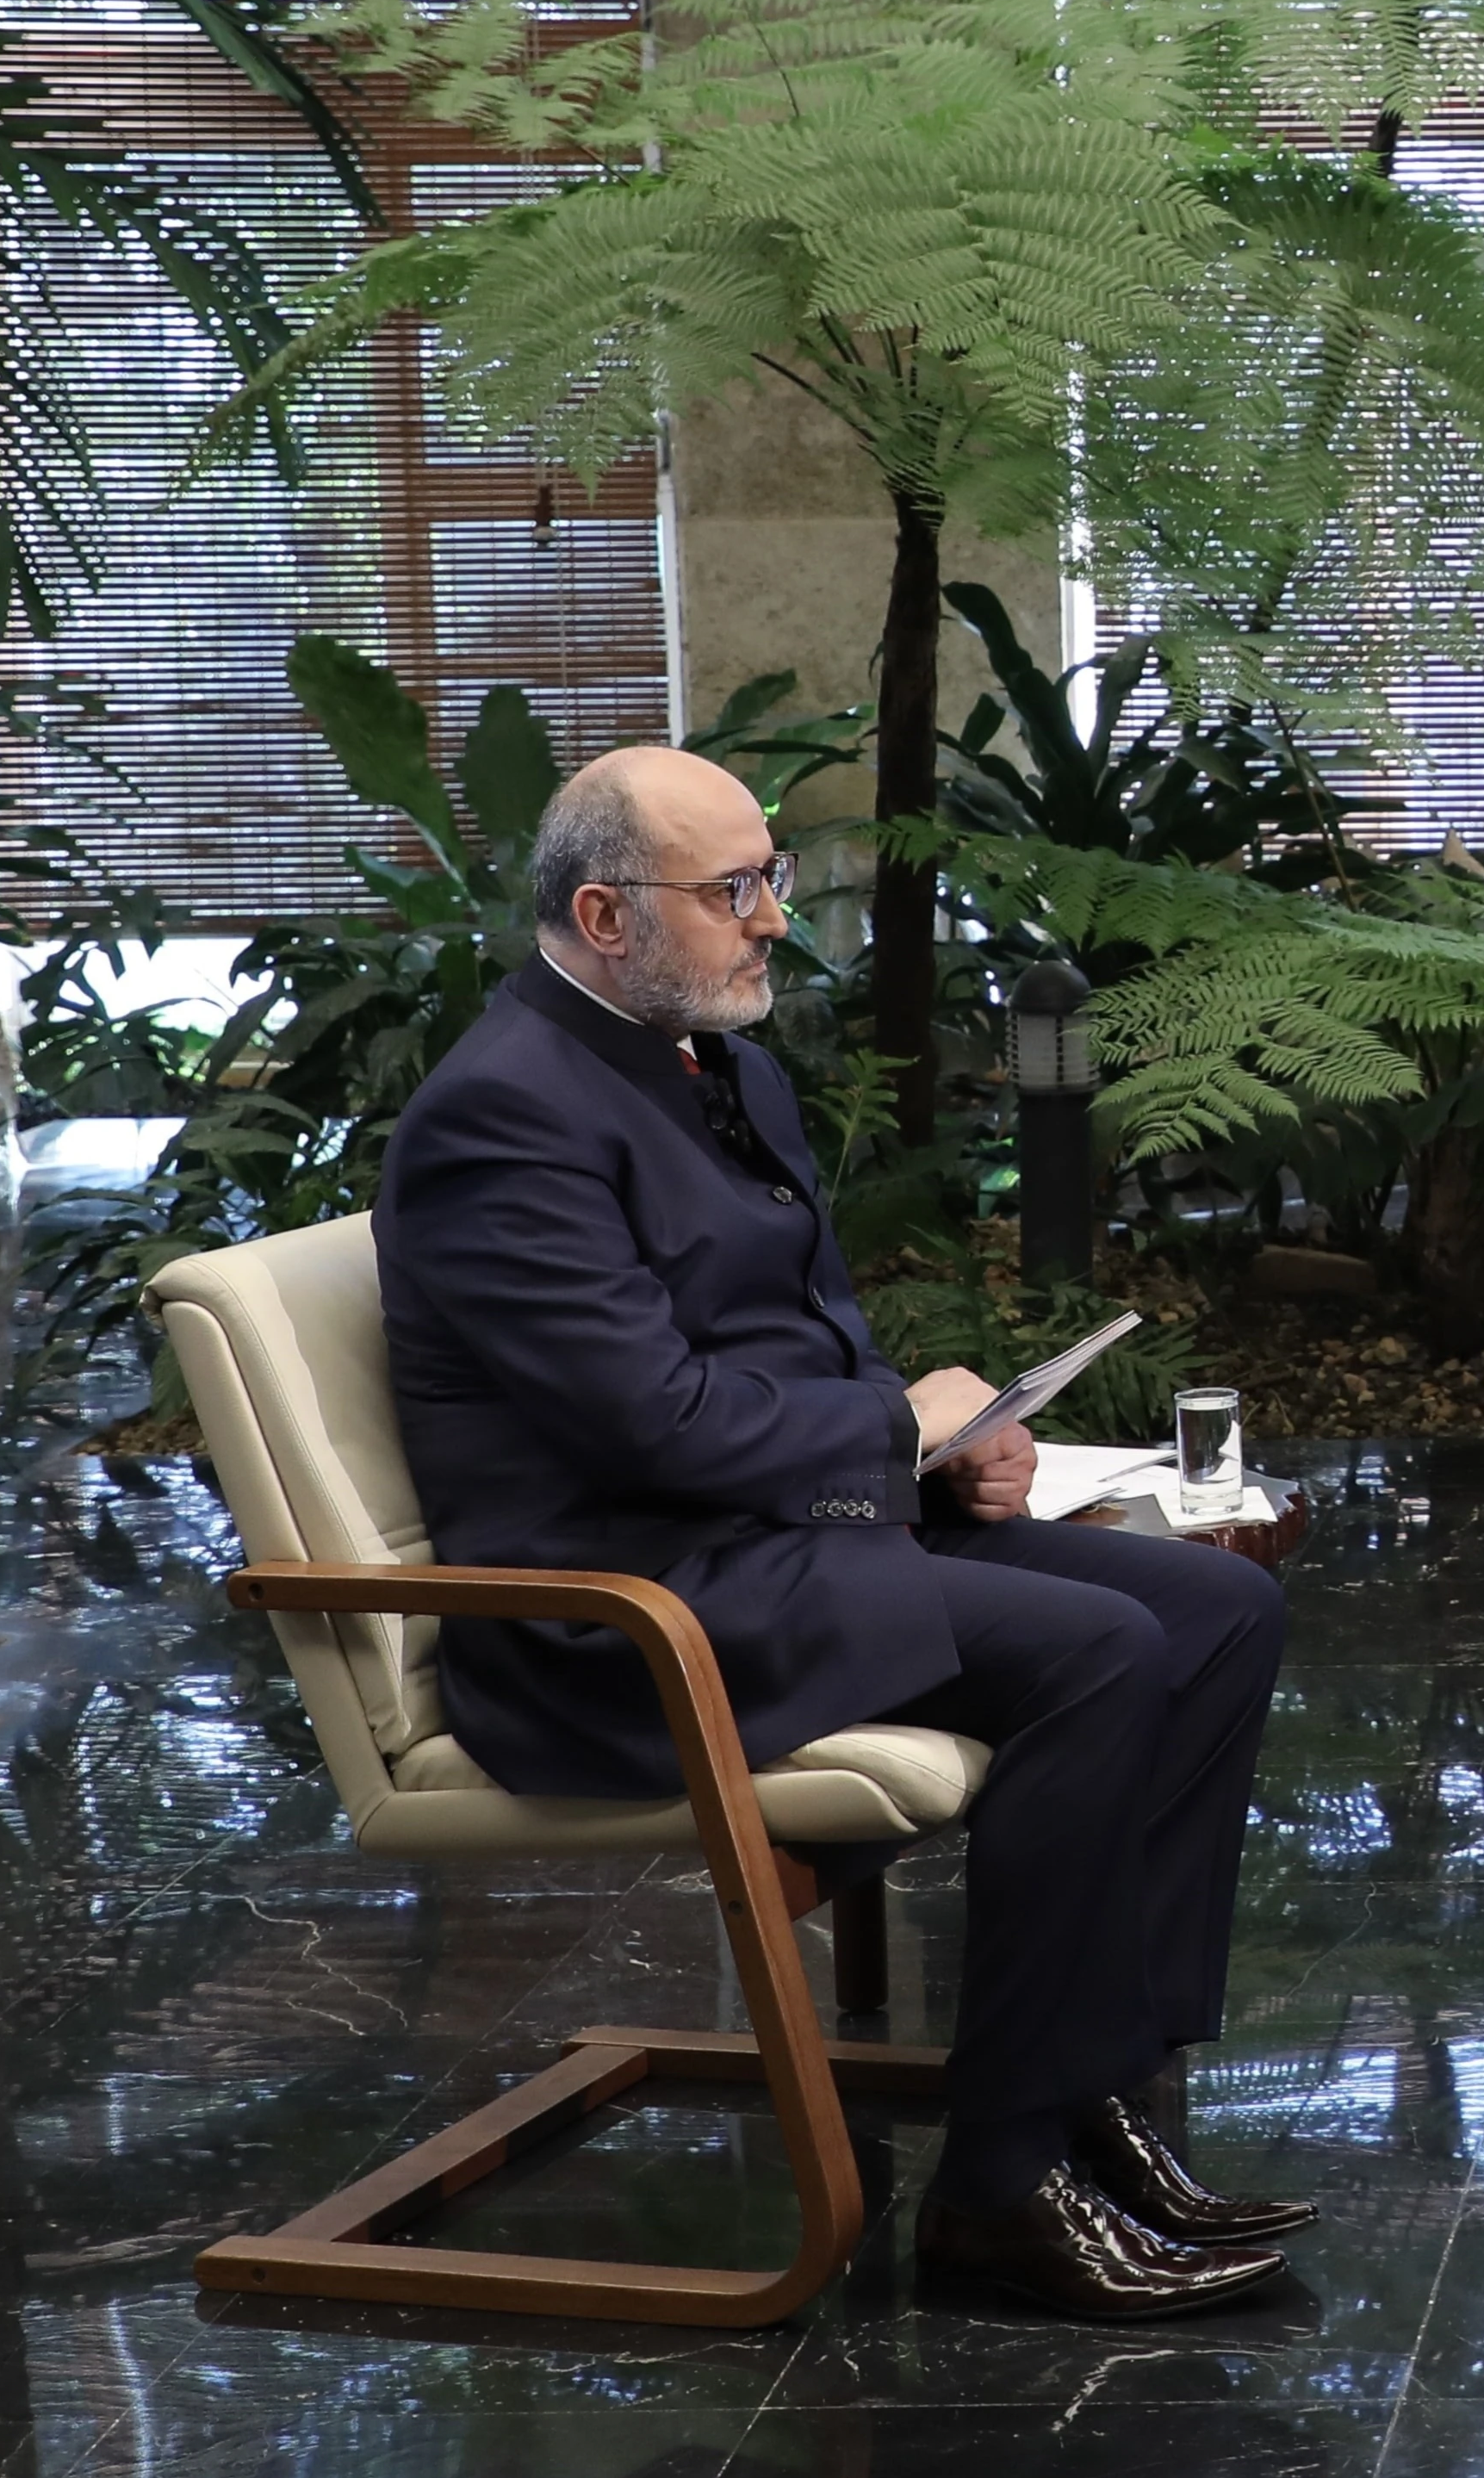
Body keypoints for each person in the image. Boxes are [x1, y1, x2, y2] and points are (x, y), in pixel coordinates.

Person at [376, 740, 1306, 2321]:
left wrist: (944, 1457)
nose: (772, 921)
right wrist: (896, 1432)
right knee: (1097, 1651)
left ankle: (1105, 2098)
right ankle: (1003, 2186)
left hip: (780, 1538)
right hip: (622, 1609)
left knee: (1219, 1613)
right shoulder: (501, 1121)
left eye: (769, 879)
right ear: (605, 916)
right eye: (732, 891)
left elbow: (788, 1347)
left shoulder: (713, 1061)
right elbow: (653, 1424)